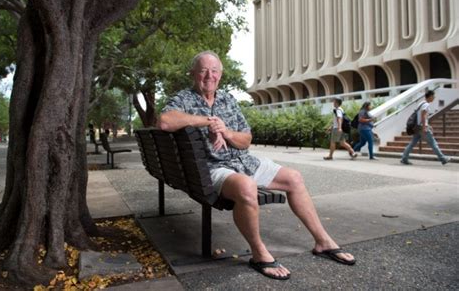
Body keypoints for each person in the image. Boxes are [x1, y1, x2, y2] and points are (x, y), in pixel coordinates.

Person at [158, 51, 356, 280]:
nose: (209, 75)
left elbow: (246, 140)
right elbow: (164, 121)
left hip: (245, 162)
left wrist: (227, 132)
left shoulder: (228, 100)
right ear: (193, 74)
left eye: (214, 71)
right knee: (246, 188)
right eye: (203, 70)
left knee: (294, 178)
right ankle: (259, 253)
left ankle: (323, 241)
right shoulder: (184, 99)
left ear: (220, 75)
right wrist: (208, 121)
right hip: (214, 168)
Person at [400, 90, 451, 165]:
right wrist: (424, 127)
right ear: (430, 96)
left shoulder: (421, 103)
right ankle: (443, 158)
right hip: (422, 127)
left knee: (412, 143)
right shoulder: (426, 105)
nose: (434, 97)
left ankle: (404, 158)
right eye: (433, 96)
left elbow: (421, 117)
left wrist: (428, 125)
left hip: (417, 127)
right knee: (433, 143)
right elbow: (423, 116)